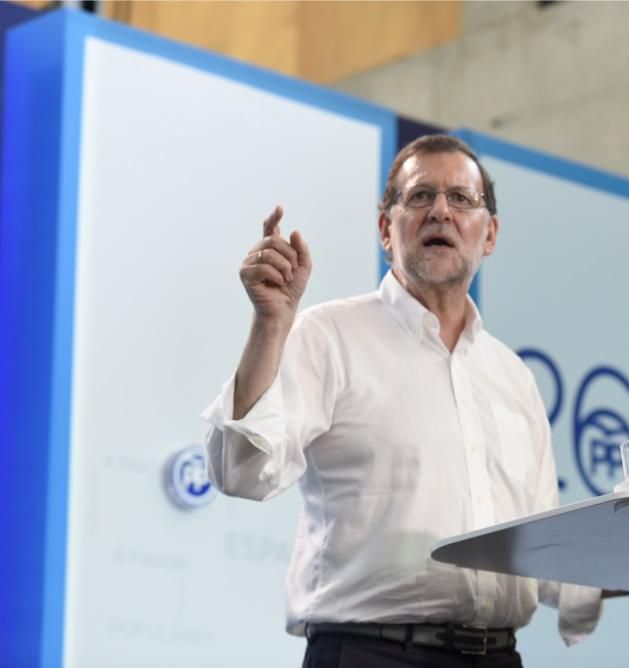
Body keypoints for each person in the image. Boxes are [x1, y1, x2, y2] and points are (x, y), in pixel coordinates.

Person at [202, 135, 603, 667]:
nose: (440, 210)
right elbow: (241, 470)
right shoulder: (329, 334)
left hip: (498, 657)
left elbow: (543, 553)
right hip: (371, 654)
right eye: (419, 197)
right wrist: (270, 323)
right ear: (385, 229)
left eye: (462, 199)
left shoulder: (513, 377)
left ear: (490, 234)